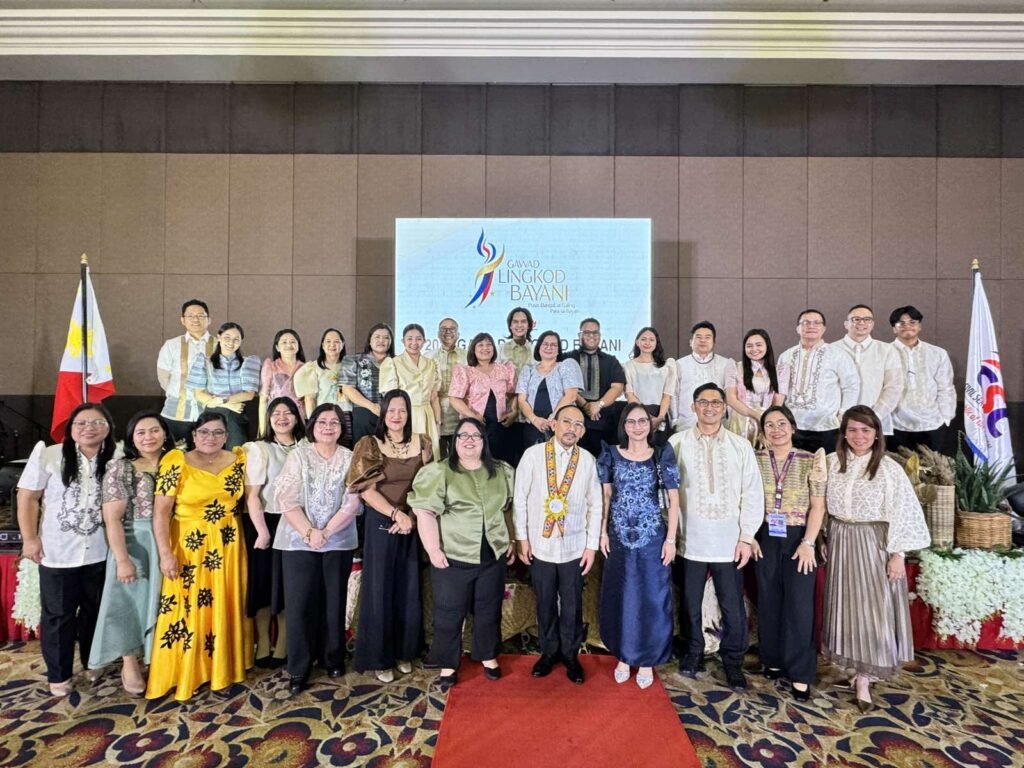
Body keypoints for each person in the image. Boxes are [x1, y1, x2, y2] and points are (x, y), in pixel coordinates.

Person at [822, 405, 930, 711]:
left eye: (866, 430)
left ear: (876, 434)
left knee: (873, 607)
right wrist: (823, 537)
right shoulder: (831, 462)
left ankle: (865, 678)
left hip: (874, 542)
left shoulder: (888, 468)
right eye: (853, 430)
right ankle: (854, 668)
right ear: (843, 433)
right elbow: (819, 504)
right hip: (841, 539)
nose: (859, 436)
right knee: (846, 605)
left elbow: (904, 510)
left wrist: (898, 554)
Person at [147, 411, 253, 700]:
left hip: (228, 545)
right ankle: (189, 671)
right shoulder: (176, 461)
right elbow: (160, 513)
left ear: (226, 436)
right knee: (190, 607)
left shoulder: (238, 460)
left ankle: (223, 670)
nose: (211, 438)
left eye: (218, 432)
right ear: (194, 435)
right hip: (189, 546)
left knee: (225, 603)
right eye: (204, 432)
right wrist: (165, 553)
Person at [16, 402, 117, 697]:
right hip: (58, 551)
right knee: (58, 615)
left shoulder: (117, 458)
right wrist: (30, 538)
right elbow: (28, 498)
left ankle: (92, 661)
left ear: (108, 428)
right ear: (71, 428)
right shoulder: (49, 455)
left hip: (101, 550)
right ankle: (59, 674)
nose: (89, 428)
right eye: (81, 423)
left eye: (97, 423)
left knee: (94, 611)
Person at [669, 383, 763, 691]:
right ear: (693, 406)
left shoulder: (740, 446)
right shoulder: (677, 443)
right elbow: (666, 494)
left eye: (716, 403)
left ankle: (733, 661)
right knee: (690, 603)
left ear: (724, 408)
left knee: (732, 605)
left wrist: (746, 536)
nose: (709, 407)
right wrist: (671, 534)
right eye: (703, 402)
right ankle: (693, 652)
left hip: (729, 542)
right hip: (690, 541)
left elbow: (752, 493)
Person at [408, 417, 515, 686]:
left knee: (488, 608)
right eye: (463, 435)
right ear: (454, 441)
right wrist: (433, 549)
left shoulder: (501, 471)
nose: (469, 440)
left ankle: (487, 655)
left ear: (483, 441)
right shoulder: (440, 472)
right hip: (453, 555)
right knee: (449, 612)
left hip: (492, 554)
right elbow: (424, 512)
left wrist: (511, 540)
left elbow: (508, 509)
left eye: (475, 435)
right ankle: (448, 663)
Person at [272, 403, 361, 695]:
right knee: (299, 604)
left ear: (341, 428)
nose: (328, 427)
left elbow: (352, 502)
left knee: (334, 601)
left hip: (338, 540)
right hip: (298, 541)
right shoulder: (299, 455)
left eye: (334, 423)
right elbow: (286, 498)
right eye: (322, 422)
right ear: (312, 426)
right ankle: (299, 667)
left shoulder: (350, 457)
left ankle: (332, 657)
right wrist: (310, 532)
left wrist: (326, 532)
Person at [347, 390, 432, 683]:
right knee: (380, 589)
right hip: (382, 521)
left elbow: (428, 485)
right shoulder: (370, 444)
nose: (397, 416)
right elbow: (366, 491)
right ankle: (380, 657)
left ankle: (405, 651)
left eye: (402, 410)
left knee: (409, 587)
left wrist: (411, 517)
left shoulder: (423, 442)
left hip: (413, 521)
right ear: (383, 413)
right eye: (391, 410)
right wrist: (397, 515)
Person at [89, 410, 175, 696]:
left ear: (165, 433)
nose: (149, 437)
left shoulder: (176, 463)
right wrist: (123, 559)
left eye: (154, 430)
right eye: (141, 432)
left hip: (173, 538)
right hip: (135, 541)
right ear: (132, 438)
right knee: (128, 603)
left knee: (165, 602)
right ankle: (130, 663)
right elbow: (112, 518)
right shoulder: (122, 468)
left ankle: (160, 659)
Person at [513, 405, 602, 684]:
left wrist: (591, 546)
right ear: (554, 424)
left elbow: (596, 505)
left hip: (574, 547)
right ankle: (549, 652)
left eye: (578, 425)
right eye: (567, 422)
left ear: (583, 432)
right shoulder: (533, 455)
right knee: (545, 601)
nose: (571, 429)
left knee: (573, 603)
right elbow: (520, 499)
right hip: (540, 545)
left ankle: (571, 655)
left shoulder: (587, 460)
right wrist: (522, 538)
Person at [597, 403, 680, 690]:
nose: (637, 426)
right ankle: (623, 656)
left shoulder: (661, 454)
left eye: (642, 421)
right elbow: (606, 497)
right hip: (618, 538)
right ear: (624, 426)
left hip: (652, 538)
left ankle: (647, 660)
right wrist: (602, 533)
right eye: (631, 422)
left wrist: (671, 539)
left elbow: (674, 500)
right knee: (621, 596)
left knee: (652, 598)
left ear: (650, 424)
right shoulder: (610, 453)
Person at [752, 405, 825, 702]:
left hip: (799, 538)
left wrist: (809, 542)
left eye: (782, 423)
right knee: (768, 599)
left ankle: (800, 672)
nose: (776, 430)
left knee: (799, 605)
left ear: (793, 427)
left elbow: (818, 506)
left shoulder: (811, 460)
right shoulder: (754, 458)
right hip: (765, 535)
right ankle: (772, 659)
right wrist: (749, 536)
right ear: (763, 431)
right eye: (769, 425)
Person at [243, 396, 305, 669]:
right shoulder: (260, 449)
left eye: (288, 412)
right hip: (266, 521)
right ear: (268, 419)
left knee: (288, 585)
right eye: (276, 413)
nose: (282, 418)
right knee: (264, 584)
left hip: (297, 522)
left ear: (297, 417)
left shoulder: (307, 446)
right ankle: (264, 642)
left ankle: (284, 643)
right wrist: (262, 532)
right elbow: (252, 496)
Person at [777, 309, 859, 454]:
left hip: (826, 427)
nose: (811, 326)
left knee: (826, 466)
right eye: (806, 323)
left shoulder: (837, 354)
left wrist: (842, 415)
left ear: (824, 328)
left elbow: (851, 386)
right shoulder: (786, 356)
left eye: (816, 323)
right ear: (797, 328)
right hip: (792, 427)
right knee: (794, 466)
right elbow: (779, 390)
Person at [888, 305, 956, 453]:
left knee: (933, 467)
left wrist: (946, 417)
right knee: (898, 466)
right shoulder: (884, 353)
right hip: (896, 424)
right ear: (894, 329)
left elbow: (946, 387)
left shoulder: (937, 353)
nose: (907, 326)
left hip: (933, 423)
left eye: (912, 322)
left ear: (919, 326)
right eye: (901, 323)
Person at [831, 305, 903, 437]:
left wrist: (874, 416)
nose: (861, 323)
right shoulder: (831, 350)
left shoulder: (887, 350)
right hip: (836, 423)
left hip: (876, 422)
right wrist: (840, 417)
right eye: (856, 319)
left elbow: (894, 387)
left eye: (867, 319)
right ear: (846, 324)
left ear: (872, 324)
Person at [188, 321, 261, 449]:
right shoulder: (205, 362)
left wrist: (217, 401)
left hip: (236, 415)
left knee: (235, 454)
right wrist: (227, 404)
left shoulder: (248, 362)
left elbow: (249, 394)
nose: (231, 342)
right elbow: (199, 394)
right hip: (211, 414)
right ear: (219, 337)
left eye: (236, 339)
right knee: (208, 451)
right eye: (227, 337)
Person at [448, 332, 518, 464]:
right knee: (476, 462)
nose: (485, 348)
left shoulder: (504, 369)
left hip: (500, 426)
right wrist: (473, 416)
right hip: (474, 426)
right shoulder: (466, 371)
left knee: (501, 462)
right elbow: (454, 398)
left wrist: (513, 411)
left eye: (489, 344)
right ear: (473, 349)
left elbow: (514, 394)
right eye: (480, 345)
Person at [379, 323, 442, 458]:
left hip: (427, 415)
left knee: (429, 455)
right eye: (409, 339)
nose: (414, 343)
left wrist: (437, 423)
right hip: (404, 415)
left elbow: (434, 397)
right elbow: (389, 400)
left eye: (418, 339)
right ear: (403, 341)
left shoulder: (432, 364)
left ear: (424, 341)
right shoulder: (393, 363)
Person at [157, 299, 215, 444]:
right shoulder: (171, 345)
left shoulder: (219, 345)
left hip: (211, 414)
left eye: (201, 315)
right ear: (182, 320)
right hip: (176, 414)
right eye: (190, 316)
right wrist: (180, 394)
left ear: (209, 319)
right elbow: (164, 378)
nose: (196, 319)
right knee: (175, 454)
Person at [566, 318, 626, 456]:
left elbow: (617, 387)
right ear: (580, 335)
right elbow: (565, 386)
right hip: (573, 424)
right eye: (587, 332)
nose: (591, 336)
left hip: (604, 424)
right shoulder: (567, 358)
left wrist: (599, 404)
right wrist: (585, 405)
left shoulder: (611, 361)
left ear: (600, 335)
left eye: (595, 332)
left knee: (602, 461)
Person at [516, 330, 584, 449]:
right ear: (539, 347)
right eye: (545, 344)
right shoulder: (528, 370)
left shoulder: (566, 366)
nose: (549, 347)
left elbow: (571, 395)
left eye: (553, 345)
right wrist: (534, 420)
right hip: (533, 425)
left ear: (558, 350)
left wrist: (552, 418)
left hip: (560, 425)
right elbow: (521, 400)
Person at [725, 329, 785, 447]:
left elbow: (778, 403)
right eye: (749, 346)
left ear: (767, 346)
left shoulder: (780, 370)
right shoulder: (735, 367)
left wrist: (766, 423)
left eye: (758, 345)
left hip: (768, 421)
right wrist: (755, 415)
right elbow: (730, 399)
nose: (754, 349)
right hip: (741, 419)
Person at [294, 328, 352, 448]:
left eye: (336, 341)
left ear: (343, 344)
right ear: (322, 345)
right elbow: (309, 399)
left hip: (346, 415)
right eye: (328, 341)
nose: (332, 345)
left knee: (346, 451)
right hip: (323, 416)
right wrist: (313, 423)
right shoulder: (313, 368)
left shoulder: (351, 366)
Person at [672, 322, 732, 433]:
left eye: (707, 337)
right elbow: (674, 394)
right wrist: (675, 420)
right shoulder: (679, 364)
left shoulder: (726, 364)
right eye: (698, 337)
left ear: (714, 342)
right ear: (691, 342)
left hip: (719, 426)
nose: (703, 340)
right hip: (686, 425)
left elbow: (730, 396)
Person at [341, 323, 394, 445]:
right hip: (364, 413)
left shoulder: (397, 362)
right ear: (369, 340)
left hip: (392, 416)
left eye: (386, 338)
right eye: (377, 337)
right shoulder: (352, 360)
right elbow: (347, 389)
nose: (381, 340)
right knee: (364, 452)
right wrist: (372, 406)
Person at [623, 326, 677, 446]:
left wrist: (660, 418)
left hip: (660, 414)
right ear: (637, 342)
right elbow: (630, 395)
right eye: (643, 339)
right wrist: (645, 417)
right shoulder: (628, 366)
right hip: (637, 413)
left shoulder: (667, 366)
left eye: (651, 340)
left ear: (656, 343)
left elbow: (667, 395)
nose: (647, 343)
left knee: (659, 450)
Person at [498, 307, 536, 465]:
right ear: (510, 325)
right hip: (506, 415)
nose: (519, 325)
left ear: (530, 325)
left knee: (529, 461)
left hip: (530, 416)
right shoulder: (500, 350)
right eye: (515, 322)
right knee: (505, 460)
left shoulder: (537, 351)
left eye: (523, 321)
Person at [427, 318, 467, 458]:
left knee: (460, 456)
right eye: (444, 329)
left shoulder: (468, 356)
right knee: (438, 456)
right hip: (436, 413)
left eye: (452, 329)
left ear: (458, 334)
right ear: (438, 334)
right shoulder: (429, 357)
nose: (448, 332)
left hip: (461, 413)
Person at [258, 328, 307, 437]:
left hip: (299, 418)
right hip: (276, 418)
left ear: (298, 346)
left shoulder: (306, 368)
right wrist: (263, 432)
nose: (288, 345)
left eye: (293, 342)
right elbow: (263, 399)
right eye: (284, 342)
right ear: (277, 347)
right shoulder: (271, 366)